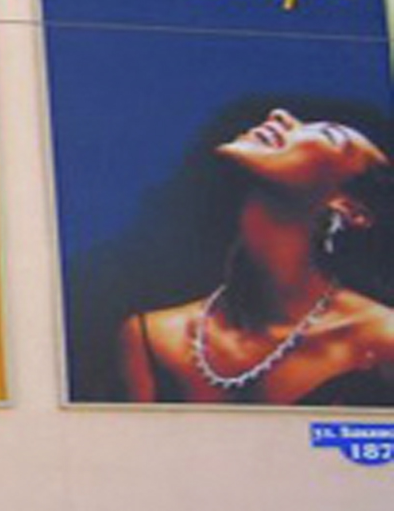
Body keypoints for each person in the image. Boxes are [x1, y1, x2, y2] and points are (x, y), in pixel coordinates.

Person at [116, 107, 394, 405]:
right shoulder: (151, 337)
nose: (279, 115)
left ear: (350, 209)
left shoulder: (382, 339)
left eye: (329, 134)